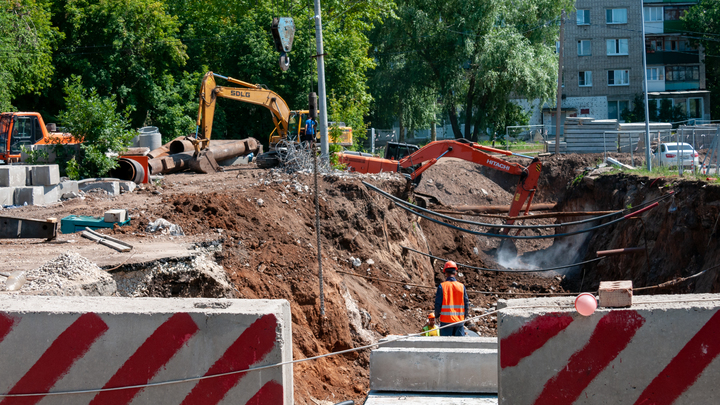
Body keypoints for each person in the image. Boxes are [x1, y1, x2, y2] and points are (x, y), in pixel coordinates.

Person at [434, 261, 469, 337]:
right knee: (459, 345)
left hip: (446, 321)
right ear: (455, 273)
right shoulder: (461, 286)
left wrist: (436, 316)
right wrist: (464, 317)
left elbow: (438, 304)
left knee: (445, 345)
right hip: (459, 321)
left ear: (445, 273)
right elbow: (466, 303)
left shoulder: (442, 286)